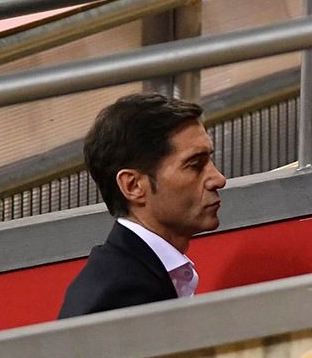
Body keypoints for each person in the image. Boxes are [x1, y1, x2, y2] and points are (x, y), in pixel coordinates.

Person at [58, 93, 226, 319]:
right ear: (133, 185)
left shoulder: (135, 273)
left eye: (210, 161)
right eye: (194, 165)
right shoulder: (119, 299)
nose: (218, 179)